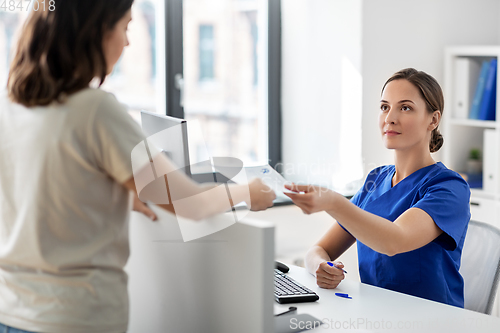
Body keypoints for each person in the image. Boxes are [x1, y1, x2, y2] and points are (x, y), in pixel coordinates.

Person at [0, 1, 275, 332]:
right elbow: (191, 203)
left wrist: (108, 195)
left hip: (11, 312)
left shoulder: (10, 108)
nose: (128, 42)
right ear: (96, 32)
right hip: (74, 319)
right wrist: (247, 191)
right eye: (126, 27)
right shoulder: (94, 110)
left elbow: (40, 191)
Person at [284, 68, 470, 308]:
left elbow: (394, 241)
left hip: (432, 322)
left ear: (433, 120)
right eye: (384, 107)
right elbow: (318, 250)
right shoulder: (375, 179)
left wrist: (333, 202)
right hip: (376, 314)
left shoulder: (449, 188)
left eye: (405, 107)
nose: (390, 118)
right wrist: (321, 266)